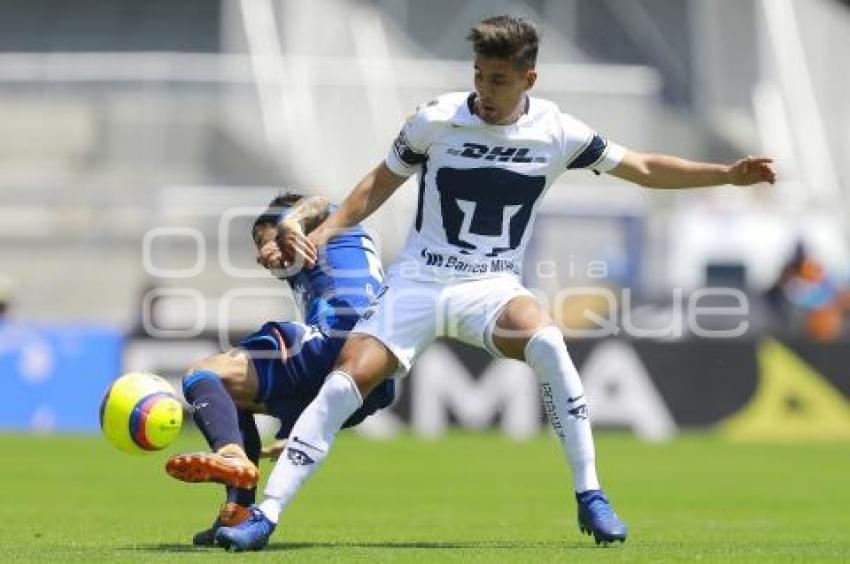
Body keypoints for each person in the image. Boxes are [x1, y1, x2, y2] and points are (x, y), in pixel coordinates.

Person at [214, 15, 777, 551]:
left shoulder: (558, 131)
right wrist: (330, 229)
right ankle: (266, 516)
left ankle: (591, 495)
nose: (484, 88)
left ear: (529, 78)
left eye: (499, 79)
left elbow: (645, 168)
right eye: (479, 75)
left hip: (490, 285)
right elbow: (375, 185)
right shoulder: (434, 119)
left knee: (550, 343)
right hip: (420, 279)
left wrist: (725, 175)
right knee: (344, 383)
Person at [164, 191, 396, 545]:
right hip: (375, 374)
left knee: (203, 374)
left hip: (335, 340)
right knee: (236, 401)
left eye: (262, 240)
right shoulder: (336, 255)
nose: (260, 255)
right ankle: (238, 512)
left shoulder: (325, 219)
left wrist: (288, 222)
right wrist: (293, 429)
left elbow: (317, 201)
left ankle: (229, 453)